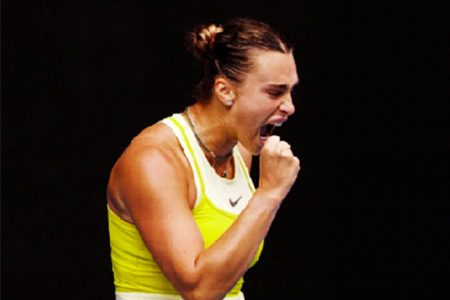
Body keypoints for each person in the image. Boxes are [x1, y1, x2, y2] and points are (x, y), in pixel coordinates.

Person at [107, 18, 301, 300]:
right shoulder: (155, 159)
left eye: (291, 91)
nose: (289, 106)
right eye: (274, 92)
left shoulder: (240, 151)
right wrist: (269, 193)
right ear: (224, 91)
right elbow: (200, 290)